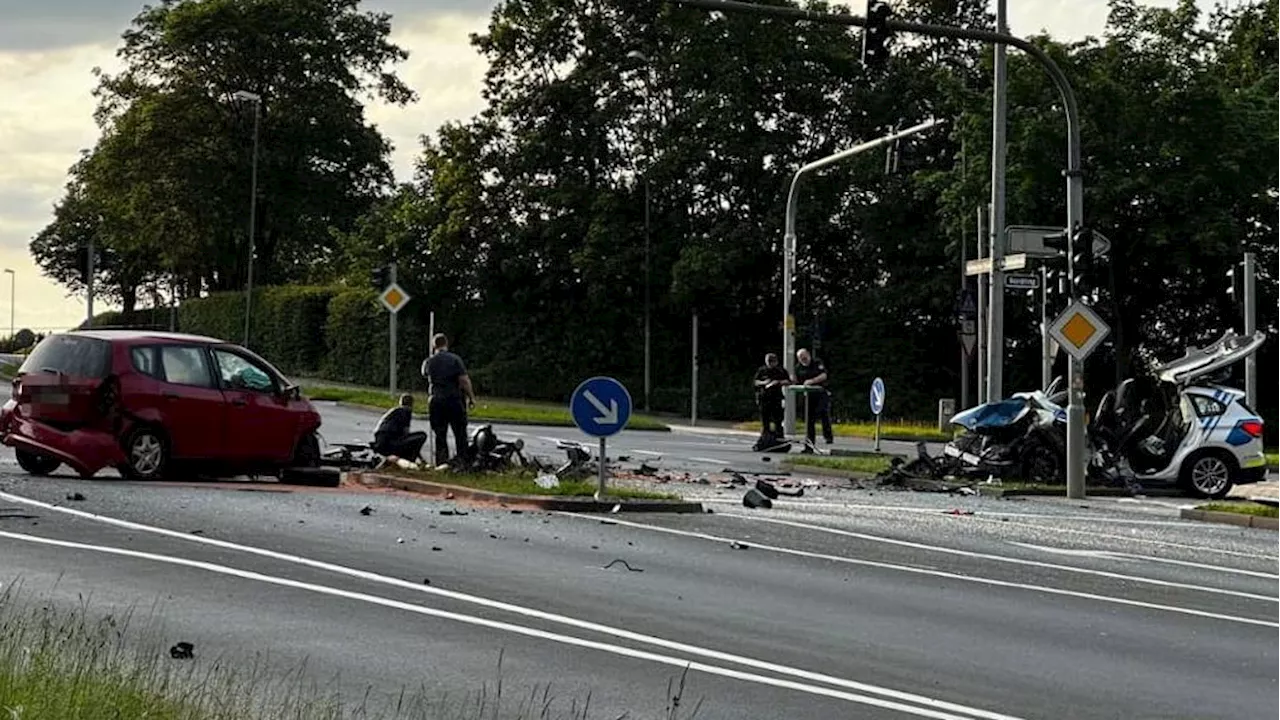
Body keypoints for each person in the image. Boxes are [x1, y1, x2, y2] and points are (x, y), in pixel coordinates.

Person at [421, 333, 475, 467]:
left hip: (436, 401)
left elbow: (424, 373)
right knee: (460, 433)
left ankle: (442, 463)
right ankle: (463, 461)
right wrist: (471, 397)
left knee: (440, 434)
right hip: (454, 399)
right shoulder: (455, 360)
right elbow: (463, 380)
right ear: (446, 344)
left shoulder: (429, 361)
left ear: (434, 346)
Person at [794, 348, 833, 450]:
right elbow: (797, 381)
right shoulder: (798, 368)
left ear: (808, 355)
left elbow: (824, 375)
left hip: (820, 393)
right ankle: (809, 444)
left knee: (823, 413)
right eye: (801, 358)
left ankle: (828, 435)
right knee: (809, 420)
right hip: (808, 396)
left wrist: (812, 381)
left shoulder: (817, 363)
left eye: (804, 357)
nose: (803, 360)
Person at [372, 393, 428, 462]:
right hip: (389, 445)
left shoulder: (395, 411)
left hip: (381, 444)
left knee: (411, 438)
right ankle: (409, 459)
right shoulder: (406, 411)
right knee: (422, 436)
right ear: (412, 404)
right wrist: (421, 458)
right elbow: (406, 434)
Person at [753, 353, 790, 439]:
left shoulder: (780, 370)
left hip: (776, 397)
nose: (770, 364)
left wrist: (778, 382)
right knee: (765, 420)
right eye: (768, 362)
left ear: (776, 362)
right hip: (764, 397)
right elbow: (755, 382)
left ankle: (779, 437)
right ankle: (765, 437)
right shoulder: (762, 370)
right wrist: (764, 382)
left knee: (778, 420)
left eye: (772, 362)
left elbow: (788, 381)